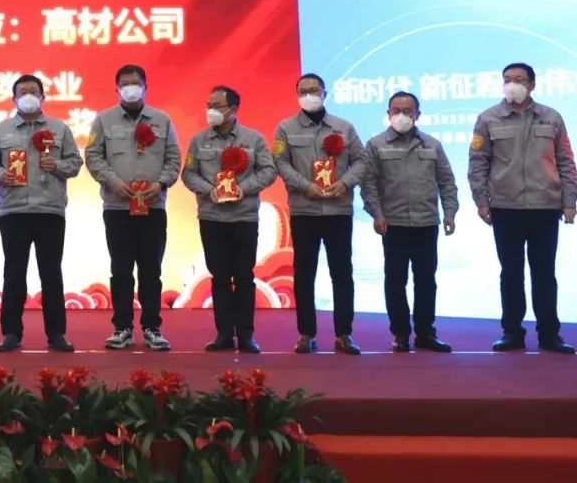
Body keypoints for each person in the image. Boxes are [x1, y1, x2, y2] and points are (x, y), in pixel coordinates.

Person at [469, 62, 577, 354]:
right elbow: (478, 162)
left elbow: (566, 161)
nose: (512, 84)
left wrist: (570, 201)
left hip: (545, 206)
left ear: (532, 84)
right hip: (506, 207)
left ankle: (549, 334)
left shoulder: (551, 117)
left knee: (544, 273)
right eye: (507, 79)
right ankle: (512, 332)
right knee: (511, 273)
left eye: (518, 79)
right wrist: (481, 201)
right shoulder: (488, 118)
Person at [0, 74, 81, 353]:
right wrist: (1, 175)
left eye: (33, 91)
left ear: (42, 97)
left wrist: (56, 165)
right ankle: (11, 333)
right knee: (14, 274)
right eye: (22, 92)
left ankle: (57, 333)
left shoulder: (59, 128)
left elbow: (75, 163)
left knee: (51, 274)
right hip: (14, 210)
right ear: (13, 99)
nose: (28, 96)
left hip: (50, 210)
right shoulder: (1, 130)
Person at [85, 64, 181, 351]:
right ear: (116, 89)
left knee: (151, 269)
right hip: (117, 207)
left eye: (135, 83)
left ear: (145, 87)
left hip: (153, 207)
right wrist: (113, 182)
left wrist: (160, 184)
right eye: (125, 84)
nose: (131, 88)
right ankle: (122, 328)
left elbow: (174, 159)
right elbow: (93, 156)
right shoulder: (104, 120)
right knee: (121, 270)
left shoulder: (162, 120)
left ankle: (152, 327)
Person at [273, 73, 367, 355]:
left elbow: (361, 161)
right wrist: (305, 186)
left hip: (338, 210)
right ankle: (306, 334)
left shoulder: (344, 127)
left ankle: (344, 334)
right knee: (304, 273)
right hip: (305, 210)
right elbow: (280, 162)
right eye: (303, 91)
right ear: (297, 95)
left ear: (325, 93)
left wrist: (345, 183)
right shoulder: (285, 128)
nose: (309, 95)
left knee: (342, 272)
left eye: (314, 90)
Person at [181, 86, 276, 353]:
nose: (211, 110)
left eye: (217, 106)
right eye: (208, 105)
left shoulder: (254, 139)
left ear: (233, 110)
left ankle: (246, 335)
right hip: (212, 217)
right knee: (219, 276)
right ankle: (223, 334)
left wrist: (245, 188)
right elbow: (188, 174)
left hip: (244, 216)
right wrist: (208, 190)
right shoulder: (199, 140)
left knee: (244, 276)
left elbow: (269, 170)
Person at [361, 91, 457, 353]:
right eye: (396, 110)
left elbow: (447, 181)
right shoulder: (376, 144)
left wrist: (450, 212)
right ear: (388, 113)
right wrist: (376, 213)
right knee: (395, 281)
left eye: (407, 111)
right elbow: (368, 184)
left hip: (426, 223)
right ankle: (400, 333)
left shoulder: (432, 144)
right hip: (393, 224)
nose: (401, 115)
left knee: (426, 281)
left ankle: (425, 333)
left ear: (417, 114)